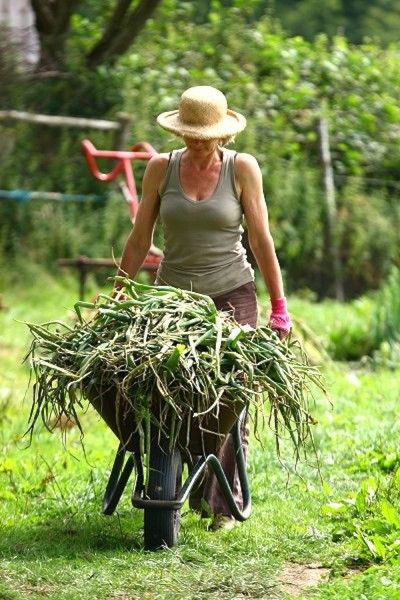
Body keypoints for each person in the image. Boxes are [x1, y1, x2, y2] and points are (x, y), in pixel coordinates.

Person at [117, 85, 291, 530]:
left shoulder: (242, 168)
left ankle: (221, 501)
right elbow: (141, 239)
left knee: (228, 393)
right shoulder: (161, 168)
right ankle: (170, 477)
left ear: (222, 134)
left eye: (205, 135)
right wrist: (119, 290)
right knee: (162, 386)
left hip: (232, 293)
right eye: (190, 133)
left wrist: (279, 305)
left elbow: (260, 239)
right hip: (173, 298)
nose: (196, 142)